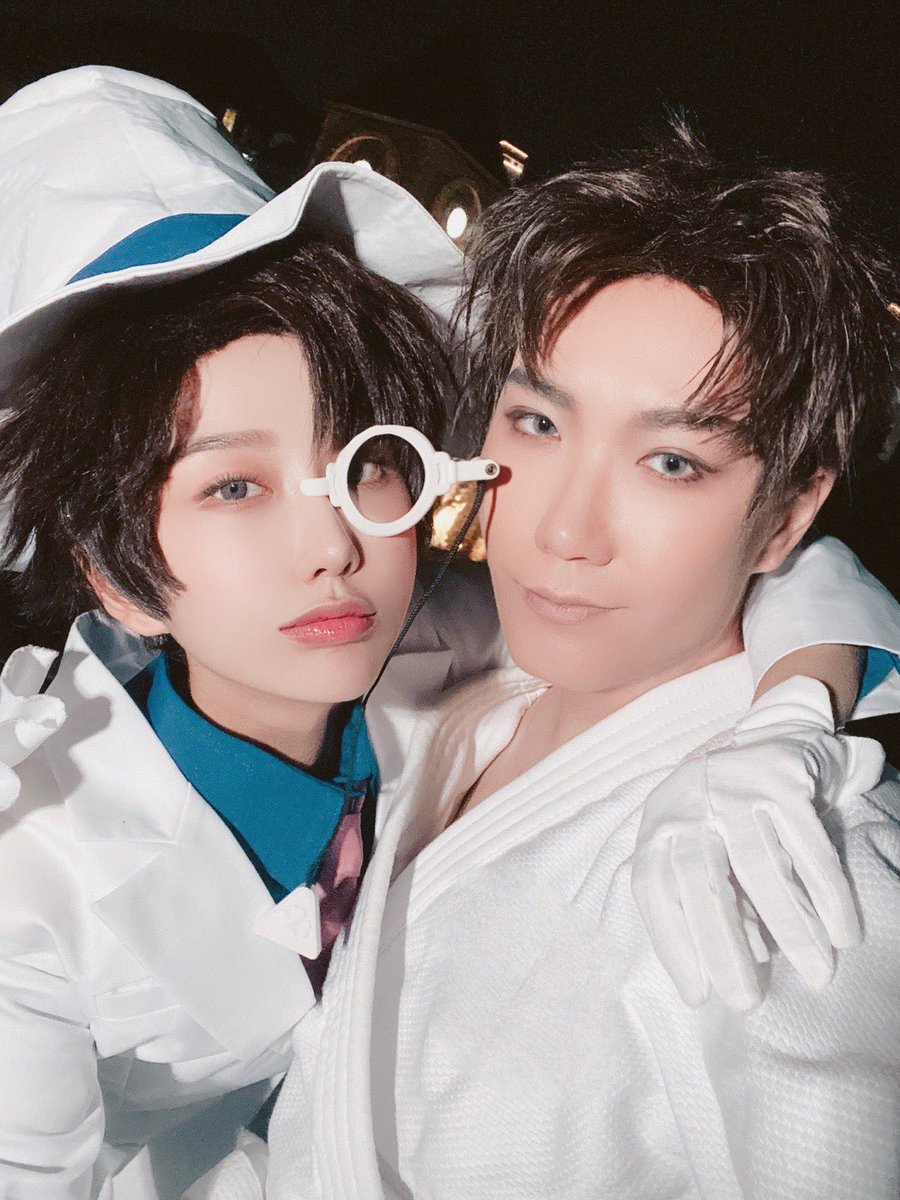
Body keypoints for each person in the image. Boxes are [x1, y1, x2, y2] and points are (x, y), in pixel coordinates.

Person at [0, 70, 897, 1198]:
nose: (332, 545)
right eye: (233, 487)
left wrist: (795, 711)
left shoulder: (761, 855)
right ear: (109, 573)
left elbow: (793, 576)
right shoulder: (38, 870)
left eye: (364, 462)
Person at [263, 128, 900, 1200]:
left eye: (671, 461)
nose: (563, 529)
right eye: (537, 420)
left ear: (790, 514)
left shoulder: (779, 865)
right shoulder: (460, 683)